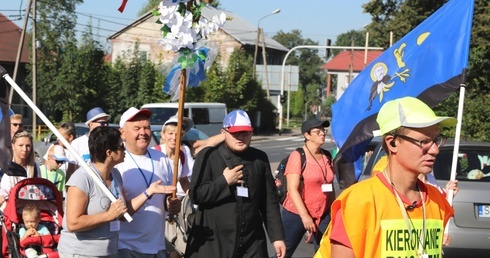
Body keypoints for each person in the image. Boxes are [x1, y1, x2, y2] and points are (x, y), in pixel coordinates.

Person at [314, 97, 457, 258]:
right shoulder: (359, 201)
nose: (435, 150)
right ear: (392, 143)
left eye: (436, 140)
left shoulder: (437, 200)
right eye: (424, 141)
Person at [58, 126, 176, 257]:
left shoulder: (115, 175)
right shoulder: (82, 178)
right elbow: (73, 223)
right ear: (109, 153)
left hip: (108, 252)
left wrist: (149, 192)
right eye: (121, 146)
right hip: (81, 253)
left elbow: (124, 214)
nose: (125, 150)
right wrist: (109, 215)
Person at [185, 109, 286, 258]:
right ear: (224, 133)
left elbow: (269, 202)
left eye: (245, 133)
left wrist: (277, 237)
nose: (240, 137)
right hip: (215, 241)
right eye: (235, 133)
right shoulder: (208, 156)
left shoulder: (260, 158)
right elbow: (196, 195)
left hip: (251, 242)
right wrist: (224, 181)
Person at [115, 107, 181, 258]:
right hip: (125, 246)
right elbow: (117, 212)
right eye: (137, 128)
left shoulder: (162, 159)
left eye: (147, 128)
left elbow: (166, 199)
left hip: (156, 246)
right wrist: (148, 192)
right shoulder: (117, 162)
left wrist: (172, 205)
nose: (143, 133)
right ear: (122, 132)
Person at [276, 117, 334, 258]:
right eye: (317, 131)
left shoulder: (326, 156)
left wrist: (333, 211)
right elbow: (292, 189)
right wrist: (305, 217)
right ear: (307, 135)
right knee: (284, 253)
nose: (322, 133)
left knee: (325, 252)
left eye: (323, 130)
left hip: (323, 213)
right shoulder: (298, 156)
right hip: (297, 212)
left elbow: (330, 186)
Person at [1, 130, 40, 203]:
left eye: (28, 146)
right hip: (11, 209)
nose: (25, 149)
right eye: (20, 145)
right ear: (13, 146)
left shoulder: (35, 167)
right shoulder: (6, 168)